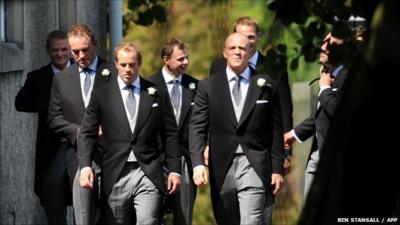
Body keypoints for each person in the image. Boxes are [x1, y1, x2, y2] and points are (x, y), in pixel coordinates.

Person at [77, 42, 181, 225]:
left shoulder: (155, 93)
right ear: (116, 64)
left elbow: (170, 133)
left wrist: (174, 170)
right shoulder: (102, 95)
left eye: (131, 64)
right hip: (116, 172)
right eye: (123, 64)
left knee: (148, 221)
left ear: (139, 63)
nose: (127, 69)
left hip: (147, 171)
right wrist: (85, 166)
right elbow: (86, 132)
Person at [189, 33, 285, 225]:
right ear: (225, 52)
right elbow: (197, 127)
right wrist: (198, 163)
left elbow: (275, 130)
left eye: (242, 48)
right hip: (221, 165)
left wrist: (277, 168)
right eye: (232, 48)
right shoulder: (207, 86)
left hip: (255, 163)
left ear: (250, 52)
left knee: (251, 220)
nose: (237, 52)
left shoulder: (266, 85)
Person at [209, 16, 293, 223]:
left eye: (251, 37)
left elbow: (283, 113)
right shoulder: (218, 66)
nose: (247, 41)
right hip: (225, 155)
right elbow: (212, 111)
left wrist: (284, 154)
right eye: (242, 36)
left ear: (258, 38)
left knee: (257, 216)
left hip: (260, 153)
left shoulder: (273, 66)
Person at [47, 24, 108, 225]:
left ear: (95, 45)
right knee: (83, 216)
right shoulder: (62, 79)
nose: (80, 55)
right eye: (75, 51)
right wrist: (79, 131)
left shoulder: (113, 73)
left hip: (111, 155)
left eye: (85, 49)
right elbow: (54, 118)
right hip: (78, 156)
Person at [284, 31, 351, 201]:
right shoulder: (327, 75)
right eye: (323, 42)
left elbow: (340, 112)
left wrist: (325, 90)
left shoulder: (348, 76)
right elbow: (320, 115)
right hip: (316, 156)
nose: (323, 47)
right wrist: (294, 134)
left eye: (330, 44)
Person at [15, 30, 72, 225]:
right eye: (55, 50)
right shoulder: (37, 77)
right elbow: (20, 103)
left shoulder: (85, 74)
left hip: (82, 145)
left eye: (64, 49)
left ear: (70, 49)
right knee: (53, 199)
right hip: (53, 147)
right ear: (48, 51)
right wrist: (50, 105)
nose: (60, 54)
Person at [148, 38, 198, 225]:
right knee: (153, 215)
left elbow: (202, 123)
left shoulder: (196, 87)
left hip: (185, 158)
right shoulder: (149, 87)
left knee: (183, 215)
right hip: (156, 158)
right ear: (166, 59)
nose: (185, 62)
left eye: (187, 58)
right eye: (180, 59)